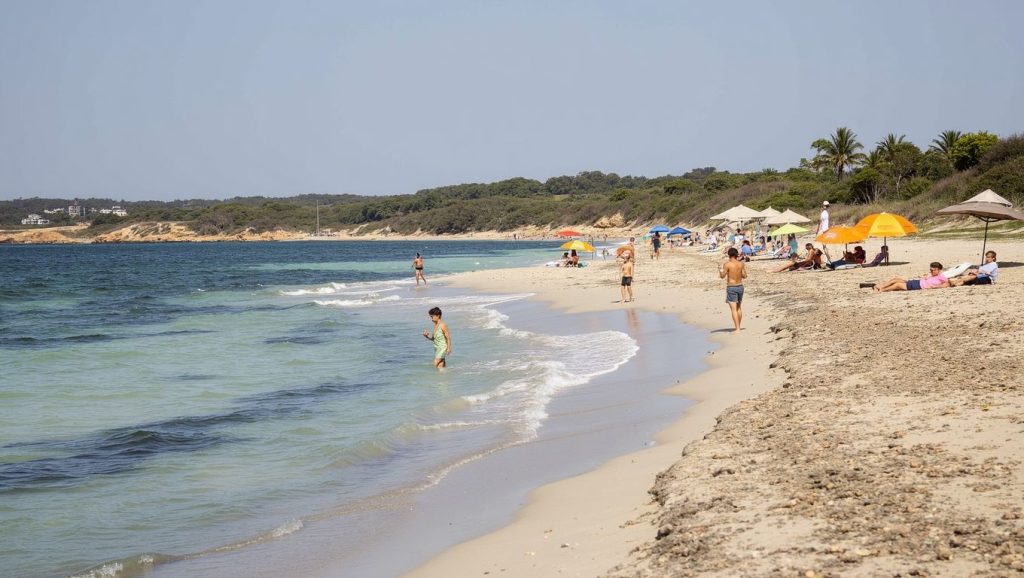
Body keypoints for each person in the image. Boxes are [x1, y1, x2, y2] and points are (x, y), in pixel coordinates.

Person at [719, 247, 747, 333]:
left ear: (729, 255)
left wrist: (720, 270)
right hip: (740, 286)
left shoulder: (727, 264)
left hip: (731, 287)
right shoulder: (741, 264)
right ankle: (738, 326)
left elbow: (722, 276)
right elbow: (745, 276)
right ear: (736, 255)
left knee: (734, 309)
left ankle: (737, 329)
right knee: (738, 308)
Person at [873, 262, 949, 292]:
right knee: (895, 279)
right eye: (931, 270)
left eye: (933, 270)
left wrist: (935, 287)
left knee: (897, 285)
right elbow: (926, 277)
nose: (932, 271)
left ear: (938, 270)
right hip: (917, 282)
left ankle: (881, 289)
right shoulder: (932, 274)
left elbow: (947, 284)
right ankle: (881, 286)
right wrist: (925, 276)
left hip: (919, 285)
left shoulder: (941, 276)